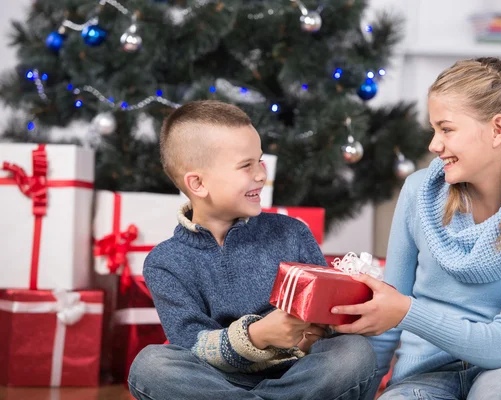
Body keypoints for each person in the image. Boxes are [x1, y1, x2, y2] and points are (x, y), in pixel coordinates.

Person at [330, 57, 501, 399]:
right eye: (434, 130)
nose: (434, 145)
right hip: (424, 371)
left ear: (497, 130)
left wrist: (406, 311)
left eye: (446, 129)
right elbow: (385, 320)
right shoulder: (418, 192)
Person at [127, 100, 376, 400]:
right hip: (218, 384)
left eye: (260, 161)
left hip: (299, 375)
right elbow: (192, 346)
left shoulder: (290, 232)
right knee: (151, 366)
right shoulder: (164, 263)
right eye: (246, 165)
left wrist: (327, 326)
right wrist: (258, 335)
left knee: (354, 353)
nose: (261, 174)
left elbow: (327, 323)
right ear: (198, 184)